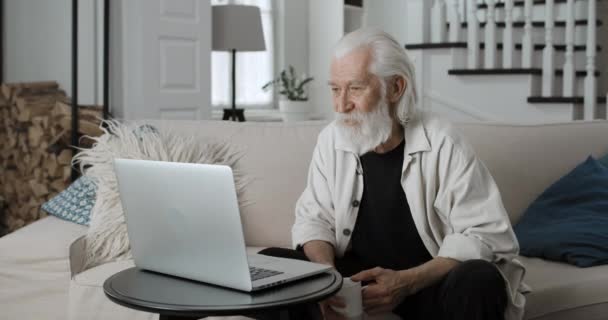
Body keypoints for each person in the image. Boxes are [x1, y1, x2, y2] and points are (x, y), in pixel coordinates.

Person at [259, 27, 526, 320]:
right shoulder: (332, 139)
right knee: (273, 265)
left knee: (479, 279)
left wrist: (406, 283)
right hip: (353, 283)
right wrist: (327, 279)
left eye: (355, 88)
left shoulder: (442, 142)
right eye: (335, 89)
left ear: (396, 88)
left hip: (425, 284)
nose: (341, 105)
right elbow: (314, 220)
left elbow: (486, 234)